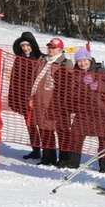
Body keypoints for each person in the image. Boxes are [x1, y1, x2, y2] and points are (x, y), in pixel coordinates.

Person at [65, 48, 105, 172]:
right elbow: (71, 93)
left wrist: (99, 85)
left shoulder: (100, 70)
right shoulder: (75, 74)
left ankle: (103, 167)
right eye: (79, 61)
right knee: (76, 136)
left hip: (103, 112)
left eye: (85, 60)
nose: (83, 63)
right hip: (84, 112)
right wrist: (82, 85)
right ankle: (73, 163)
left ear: (89, 59)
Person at [30, 37, 73, 166]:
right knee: (44, 129)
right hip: (40, 101)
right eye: (49, 47)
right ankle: (48, 156)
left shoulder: (66, 62)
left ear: (60, 49)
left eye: (53, 48)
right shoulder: (42, 60)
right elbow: (34, 79)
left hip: (56, 103)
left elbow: (68, 85)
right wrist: (31, 97)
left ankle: (64, 158)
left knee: (62, 130)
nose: (51, 50)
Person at [8, 31, 44, 160]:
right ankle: (35, 150)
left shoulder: (40, 58)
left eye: (27, 45)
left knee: (43, 125)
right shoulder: (19, 59)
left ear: (32, 45)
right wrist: (13, 98)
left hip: (37, 97)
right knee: (30, 124)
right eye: (23, 46)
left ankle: (48, 152)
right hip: (23, 97)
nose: (25, 48)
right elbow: (13, 80)